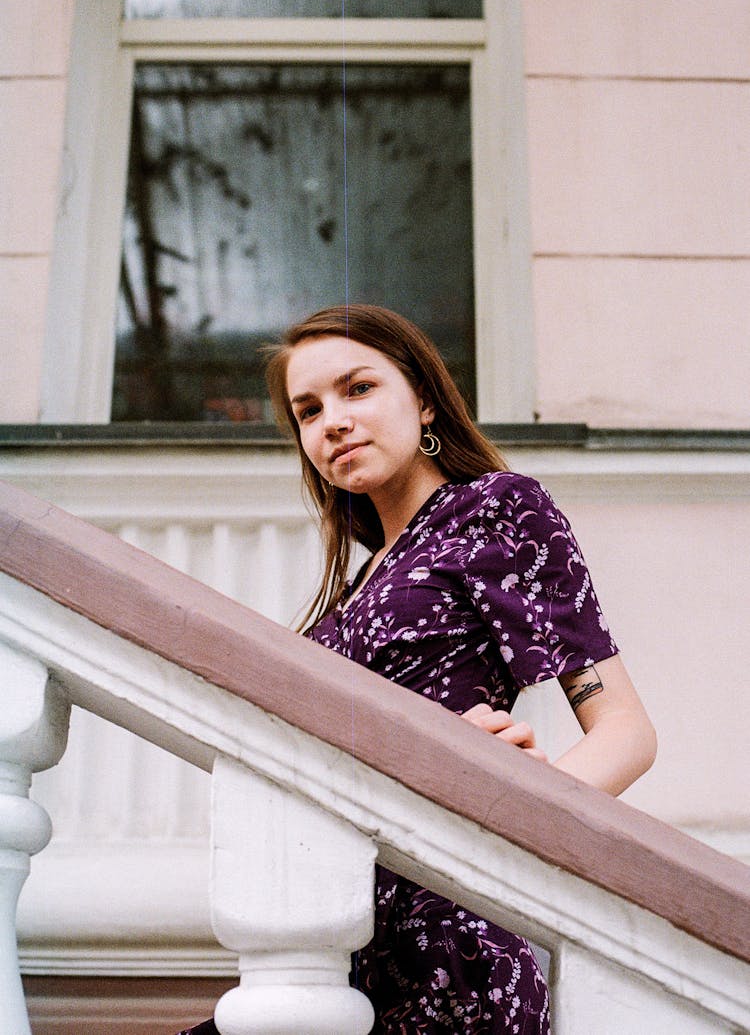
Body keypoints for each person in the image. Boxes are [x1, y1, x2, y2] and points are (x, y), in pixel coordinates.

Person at [178, 304, 656, 1035]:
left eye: (358, 388)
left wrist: (511, 798)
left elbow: (624, 730)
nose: (332, 420)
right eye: (308, 410)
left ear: (424, 397)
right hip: (342, 946)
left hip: (454, 945)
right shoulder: (356, 585)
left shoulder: (495, 510)